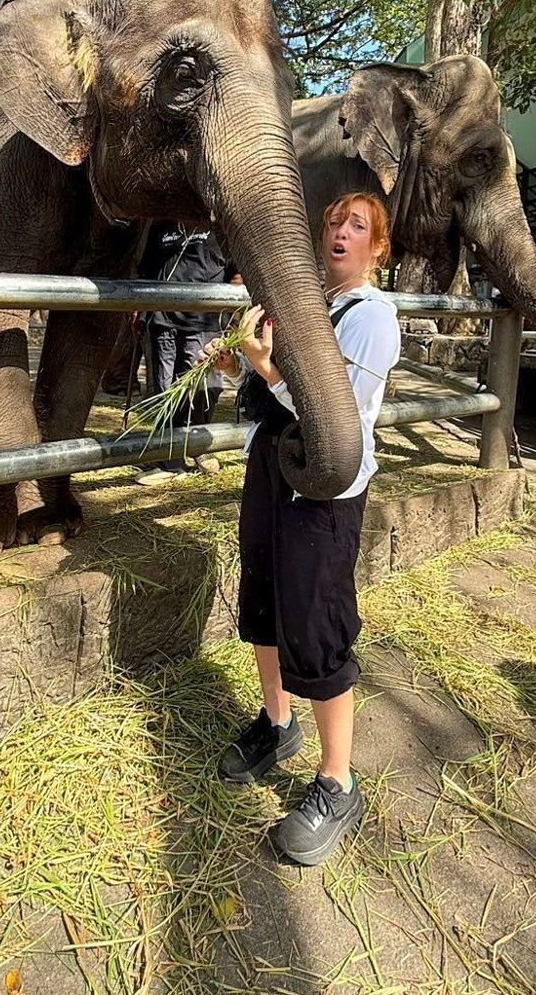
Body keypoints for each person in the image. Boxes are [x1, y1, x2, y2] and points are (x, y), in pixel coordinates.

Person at [203, 192, 400, 866]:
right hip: (273, 461)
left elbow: (335, 407)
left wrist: (265, 364)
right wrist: (238, 365)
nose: (340, 233)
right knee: (262, 598)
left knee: (315, 621)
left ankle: (337, 782)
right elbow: (276, 388)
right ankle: (278, 722)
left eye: (357, 227)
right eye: (335, 223)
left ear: (379, 248)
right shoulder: (309, 303)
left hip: (324, 479)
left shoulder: (373, 317)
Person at [135, 220, 231, 487]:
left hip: (203, 322)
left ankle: (199, 445)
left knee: (205, 388)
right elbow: (147, 267)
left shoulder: (218, 227)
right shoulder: (162, 224)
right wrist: (140, 308)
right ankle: (170, 459)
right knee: (165, 390)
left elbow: (234, 270)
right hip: (163, 319)